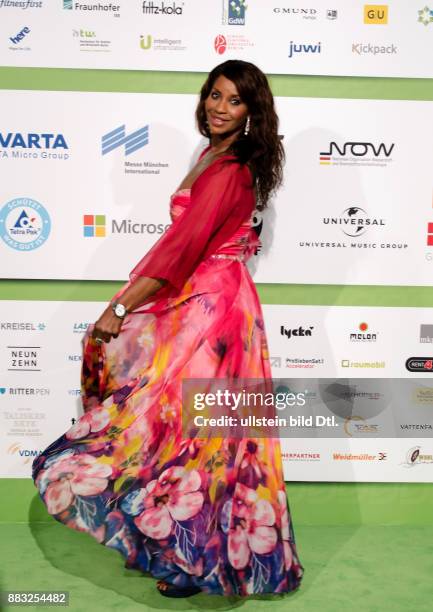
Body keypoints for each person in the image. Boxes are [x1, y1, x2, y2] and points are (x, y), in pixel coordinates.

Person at [32, 60, 304, 598]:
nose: (219, 107)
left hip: (213, 310)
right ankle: (179, 548)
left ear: (252, 112)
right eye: (215, 95)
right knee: (194, 434)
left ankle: (195, 560)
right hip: (213, 301)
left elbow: (181, 250)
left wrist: (120, 306)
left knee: (195, 433)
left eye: (233, 101)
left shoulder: (228, 169)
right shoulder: (216, 156)